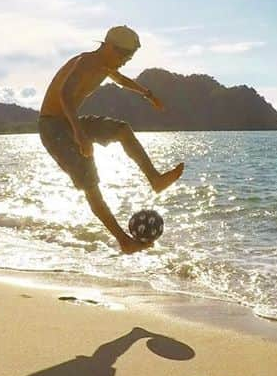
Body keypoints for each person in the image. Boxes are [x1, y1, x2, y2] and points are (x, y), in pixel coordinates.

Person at [39, 25, 184, 254]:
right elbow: (64, 95)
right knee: (90, 182)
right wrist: (79, 133)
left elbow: (121, 80)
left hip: (68, 121)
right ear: (107, 46)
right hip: (53, 126)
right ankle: (123, 240)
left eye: (130, 56)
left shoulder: (105, 65)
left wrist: (148, 94)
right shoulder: (86, 62)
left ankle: (155, 179)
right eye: (123, 54)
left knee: (122, 130)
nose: (126, 60)